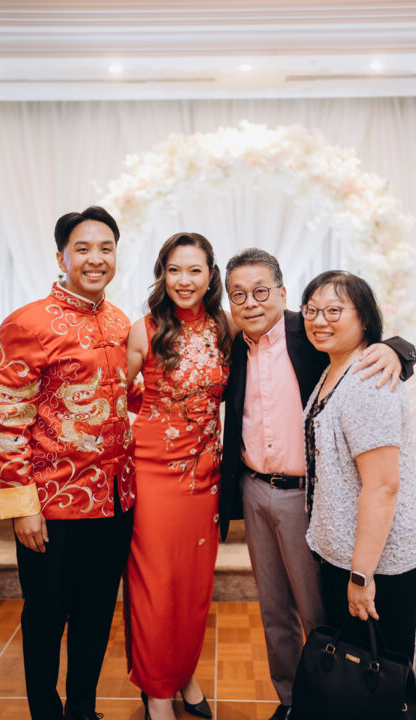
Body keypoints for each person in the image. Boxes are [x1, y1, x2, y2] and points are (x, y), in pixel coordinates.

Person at [219, 248, 416, 720]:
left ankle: (328, 697)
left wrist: (398, 349)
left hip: (307, 497)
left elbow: (366, 342)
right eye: (238, 295)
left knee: (319, 612)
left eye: (261, 291)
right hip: (254, 487)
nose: (250, 302)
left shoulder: (308, 332)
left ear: (282, 293)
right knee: (273, 611)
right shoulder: (233, 343)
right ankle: (292, 701)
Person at [0, 206, 137, 720]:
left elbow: (127, 398)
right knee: (47, 618)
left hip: (115, 501)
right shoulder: (27, 323)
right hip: (52, 506)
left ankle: (83, 710)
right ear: (61, 257)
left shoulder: (119, 321)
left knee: (96, 616)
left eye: (106, 248)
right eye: (83, 248)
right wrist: (22, 507)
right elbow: (8, 420)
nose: (96, 259)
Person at [125, 232, 232, 720]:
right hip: (153, 473)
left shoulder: (226, 327)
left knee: (193, 586)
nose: (184, 280)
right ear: (162, 274)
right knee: (156, 585)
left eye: (194, 270)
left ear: (211, 276)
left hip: (206, 475)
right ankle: (157, 691)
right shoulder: (144, 330)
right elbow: (117, 395)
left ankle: (184, 672)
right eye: (174, 270)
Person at [301, 270, 416, 660]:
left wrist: (361, 576)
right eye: (312, 310)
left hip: (381, 563)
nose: (320, 320)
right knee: (355, 675)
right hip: (347, 554)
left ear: (364, 319)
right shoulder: (335, 368)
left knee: (380, 676)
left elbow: (383, 486)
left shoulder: (367, 382)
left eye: (334, 310)